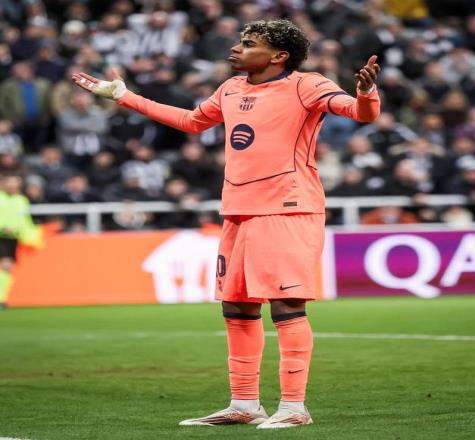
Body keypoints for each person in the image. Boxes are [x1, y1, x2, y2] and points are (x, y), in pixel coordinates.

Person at [72, 19, 380, 429]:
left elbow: (360, 114)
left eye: (248, 43)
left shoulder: (307, 84)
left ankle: (294, 408)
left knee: (286, 304)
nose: (236, 48)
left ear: (279, 56)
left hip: (287, 208)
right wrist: (125, 96)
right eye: (239, 41)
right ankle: (245, 404)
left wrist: (366, 92)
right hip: (238, 209)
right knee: (237, 306)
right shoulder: (231, 88)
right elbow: (191, 122)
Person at [0, 174, 40, 308]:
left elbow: (25, 220)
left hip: (13, 237)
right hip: (1, 235)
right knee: (5, 264)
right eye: (10, 183)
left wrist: (31, 235)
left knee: (8, 267)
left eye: (15, 183)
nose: (13, 186)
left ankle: (2, 298)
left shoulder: (22, 200)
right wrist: (3, 227)